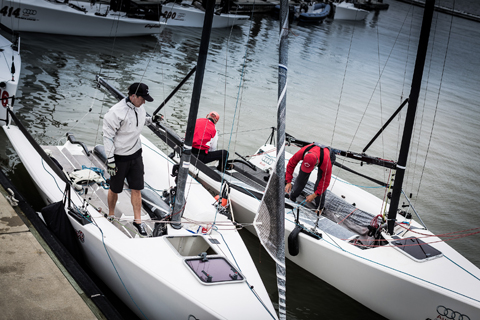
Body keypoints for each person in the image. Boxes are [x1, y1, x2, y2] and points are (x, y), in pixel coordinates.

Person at [103, 82, 158, 236]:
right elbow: (107, 138)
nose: (145, 101)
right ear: (133, 96)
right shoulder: (115, 113)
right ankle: (111, 215)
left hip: (135, 154)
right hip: (119, 158)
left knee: (137, 188)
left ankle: (138, 221)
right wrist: (111, 160)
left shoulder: (140, 107)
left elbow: (140, 122)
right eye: (143, 98)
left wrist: (151, 119)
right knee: (115, 189)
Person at [285, 143, 335, 212]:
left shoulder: (326, 162)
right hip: (313, 153)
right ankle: (292, 197)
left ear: (316, 164)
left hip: (326, 156)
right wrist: (288, 181)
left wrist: (314, 195)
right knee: (301, 178)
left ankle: (319, 208)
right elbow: (291, 164)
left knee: (319, 183)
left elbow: (325, 181)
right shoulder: (302, 152)